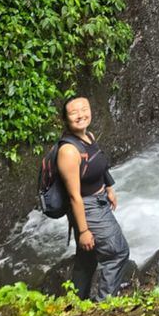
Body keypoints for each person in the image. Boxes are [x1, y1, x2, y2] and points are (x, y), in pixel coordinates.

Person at [58, 95, 130, 301]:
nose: (81, 115)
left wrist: (109, 187)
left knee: (87, 257)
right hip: (88, 207)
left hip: (99, 200)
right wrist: (83, 231)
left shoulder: (88, 136)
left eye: (84, 109)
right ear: (65, 119)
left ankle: (76, 301)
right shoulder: (69, 151)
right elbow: (74, 196)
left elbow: (98, 163)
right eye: (74, 112)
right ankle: (104, 304)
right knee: (118, 253)